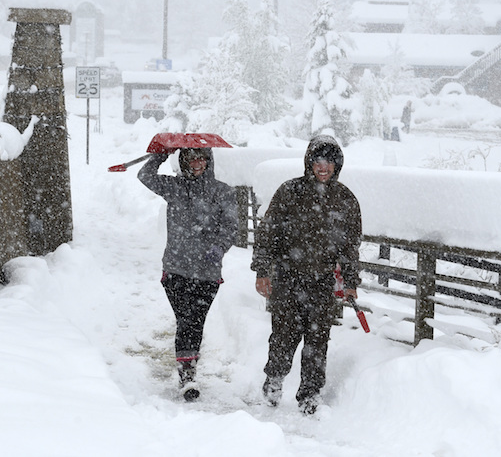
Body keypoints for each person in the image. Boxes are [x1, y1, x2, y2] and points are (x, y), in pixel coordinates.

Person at [251, 135, 362, 414]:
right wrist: (263, 271)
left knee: (317, 341)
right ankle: (274, 381)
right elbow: (267, 236)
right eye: (318, 160)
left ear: (337, 164)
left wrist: (350, 281)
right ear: (309, 162)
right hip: (287, 279)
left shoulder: (345, 200)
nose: (323, 167)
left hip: (322, 282)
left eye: (329, 161)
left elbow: (350, 246)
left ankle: (310, 394)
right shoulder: (290, 192)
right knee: (283, 336)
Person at [138, 146, 238, 402]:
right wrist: (159, 155)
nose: (197, 163)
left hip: (207, 271)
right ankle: (187, 376)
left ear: (208, 161)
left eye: (201, 158)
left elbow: (231, 227)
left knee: (195, 321)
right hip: (176, 269)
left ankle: (188, 372)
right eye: (191, 158)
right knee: (186, 320)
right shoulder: (175, 188)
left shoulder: (222, 192)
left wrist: (218, 247)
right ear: (183, 161)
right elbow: (145, 176)